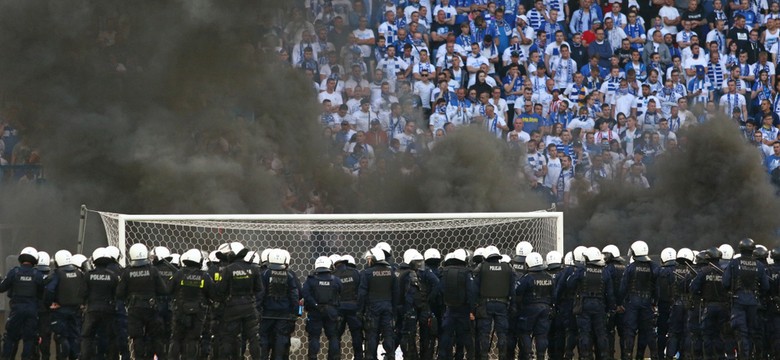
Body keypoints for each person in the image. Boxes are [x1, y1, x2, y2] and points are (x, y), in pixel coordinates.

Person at [116, 243, 168, 359]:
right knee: (155, 337)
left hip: (134, 309)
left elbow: (119, 293)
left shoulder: (127, 272)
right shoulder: (152, 270)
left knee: (137, 338)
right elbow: (163, 290)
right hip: (151, 308)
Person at [722, 238, 771, 359]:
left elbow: (725, 283)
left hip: (738, 300)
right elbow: (766, 286)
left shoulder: (734, 263)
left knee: (741, 333)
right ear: (753, 250)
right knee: (751, 332)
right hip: (753, 302)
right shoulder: (759, 265)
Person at [168, 249, 215, 360]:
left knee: (176, 338)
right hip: (198, 314)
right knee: (193, 339)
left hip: (179, 311)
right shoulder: (205, 276)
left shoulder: (179, 274)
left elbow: (168, 289)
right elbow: (213, 294)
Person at [0, 247, 44, 360]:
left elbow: (2, 288)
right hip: (32, 311)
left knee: (10, 337)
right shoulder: (38, 274)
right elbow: (42, 293)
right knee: (29, 339)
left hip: (16, 310)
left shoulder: (14, 272)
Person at [620, 240, 660, 360]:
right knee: (648, 332)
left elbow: (623, 287)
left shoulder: (630, 268)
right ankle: (651, 356)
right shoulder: (654, 267)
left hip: (632, 302)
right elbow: (656, 288)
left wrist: (619, 303)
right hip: (647, 303)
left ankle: (628, 356)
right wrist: (654, 303)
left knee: (630, 331)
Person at [473, 245, 516, 360]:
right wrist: (513, 304)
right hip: (502, 304)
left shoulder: (481, 268)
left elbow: (475, 288)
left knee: (484, 333)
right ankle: (502, 356)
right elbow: (513, 289)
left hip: (485, 305)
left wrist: (475, 304)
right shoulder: (507, 268)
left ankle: (483, 357)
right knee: (502, 333)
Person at [398, 249, 439, 360]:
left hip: (413, 307)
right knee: (417, 336)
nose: (419, 264)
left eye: (420, 261)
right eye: (417, 262)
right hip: (418, 307)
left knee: (412, 335)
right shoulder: (421, 272)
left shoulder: (404, 273)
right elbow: (436, 284)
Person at [358, 247, 399, 360]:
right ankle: (390, 356)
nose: (368, 261)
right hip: (388, 307)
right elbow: (396, 293)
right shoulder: (391, 272)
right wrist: (394, 310)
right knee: (388, 334)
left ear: (375, 259)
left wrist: (360, 311)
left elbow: (362, 293)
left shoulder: (367, 273)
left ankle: (371, 357)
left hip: (373, 308)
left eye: (370, 259)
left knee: (372, 335)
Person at [45, 250, 86, 360]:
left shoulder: (57, 274)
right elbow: (85, 289)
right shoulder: (79, 273)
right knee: (75, 337)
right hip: (76, 311)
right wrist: (82, 303)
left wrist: (49, 303)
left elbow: (49, 290)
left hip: (60, 310)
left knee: (61, 337)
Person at [259, 248, 299, 360]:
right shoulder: (289, 275)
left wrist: (257, 309)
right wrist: (295, 312)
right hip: (283, 314)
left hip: (266, 313)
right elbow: (294, 295)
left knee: (264, 337)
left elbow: (260, 294)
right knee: (281, 338)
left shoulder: (265, 274)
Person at [80, 248, 119, 360]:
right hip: (108, 310)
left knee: (87, 337)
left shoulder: (88, 275)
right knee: (110, 337)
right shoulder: (113, 276)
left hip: (92, 310)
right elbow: (117, 294)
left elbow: (82, 294)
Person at [515, 252, 555, 360]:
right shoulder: (549, 277)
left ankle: (528, 355)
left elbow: (517, 291)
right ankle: (541, 357)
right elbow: (554, 294)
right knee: (542, 335)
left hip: (530, 309)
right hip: (546, 308)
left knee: (524, 332)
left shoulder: (527, 278)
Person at [302, 256, 343, 360]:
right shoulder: (336, 280)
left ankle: (313, 357)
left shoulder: (311, 280)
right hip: (331, 311)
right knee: (333, 336)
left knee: (314, 337)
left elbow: (305, 294)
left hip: (315, 311)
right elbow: (341, 293)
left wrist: (315, 304)